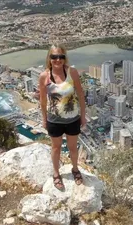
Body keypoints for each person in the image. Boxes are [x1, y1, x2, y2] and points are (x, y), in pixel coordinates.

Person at [38, 44, 86, 190]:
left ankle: (75, 169)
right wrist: (44, 119)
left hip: (72, 119)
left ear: (65, 58)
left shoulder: (72, 72)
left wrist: (83, 116)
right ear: (49, 58)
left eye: (61, 56)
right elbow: (43, 100)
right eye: (54, 57)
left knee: (73, 147)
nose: (57, 60)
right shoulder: (44, 76)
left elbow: (81, 95)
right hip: (54, 120)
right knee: (55, 148)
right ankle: (56, 174)